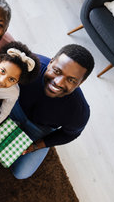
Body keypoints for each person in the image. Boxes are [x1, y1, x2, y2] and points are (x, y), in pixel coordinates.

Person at [9, 44, 95, 179]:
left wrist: (36, 146)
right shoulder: (29, 65)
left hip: (39, 129)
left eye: (71, 80)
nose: (58, 82)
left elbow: (69, 135)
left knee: (21, 173)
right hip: (13, 106)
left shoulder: (79, 111)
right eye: (57, 71)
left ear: (80, 83)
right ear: (50, 62)